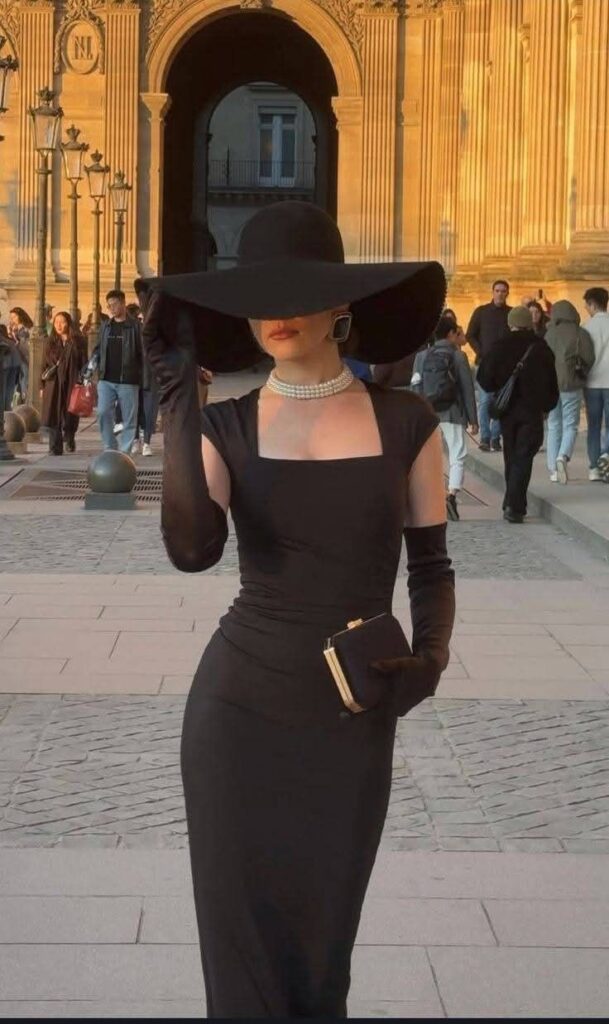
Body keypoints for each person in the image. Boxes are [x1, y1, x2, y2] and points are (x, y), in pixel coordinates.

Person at [137, 200, 455, 1019]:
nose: (276, 314)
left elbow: (429, 565)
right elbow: (191, 549)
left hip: (348, 715)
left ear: (339, 302)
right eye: (258, 298)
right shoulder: (225, 426)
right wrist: (178, 400)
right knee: (239, 953)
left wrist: (429, 659)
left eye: (296, 293)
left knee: (321, 955)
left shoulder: (406, 421)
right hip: (236, 711)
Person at [478, 305, 559, 523]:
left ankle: (512, 502)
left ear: (510, 323)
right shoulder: (541, 348)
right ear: (529, 323)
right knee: (524, 456)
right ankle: (515, 505)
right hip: (532, 410)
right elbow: (551, 382)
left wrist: (498, 388)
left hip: (507, 411)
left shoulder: (499, 347)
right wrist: (547, 405)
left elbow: (484, 378)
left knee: (511, 455)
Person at [411, 315, 479, 521]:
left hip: (428, 413)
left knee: (430, 456)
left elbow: (416, 385)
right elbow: (467, 389)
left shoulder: (421, 356)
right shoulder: (458, 356)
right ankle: (452, 494)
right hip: (452, 412)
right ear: (450, 334)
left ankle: (429, 496)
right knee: (457, 454)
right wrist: (473, 419)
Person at [544, 301, 595, 484]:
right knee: (571, 424)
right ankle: (563, 456)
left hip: (551, 386)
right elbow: (589, 358)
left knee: (553, 424)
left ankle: (553, 470)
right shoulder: (581, 333)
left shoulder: (549, 334)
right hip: (572, 384)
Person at [87, 289, 143, 453]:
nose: (111, 308)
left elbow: (143, 353)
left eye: (115, 304)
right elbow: (99, 350)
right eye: (109, 305)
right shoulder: (106, 326)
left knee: (129, 419)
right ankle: (110, 447)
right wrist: (90, 368)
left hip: (128, 380)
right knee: (103, 412)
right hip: (106, 379)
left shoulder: (136, 327)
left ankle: (124, 453)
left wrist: (142, 375)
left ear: (123, 303)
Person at [466, 280, 512, 452]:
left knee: (500, 401)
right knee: (485, 401)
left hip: (504, 366)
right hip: (484, 364)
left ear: (507, 293)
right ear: (492, 292)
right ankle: (485, 437)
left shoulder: (511, 313)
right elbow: (470, 335)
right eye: (497, 290)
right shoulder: (481, 312)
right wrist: (481, 351)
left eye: (503, 291)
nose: (500, 294)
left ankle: (495, 437)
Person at [40, 311, 88, 455]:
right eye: (56, 322)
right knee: (53, 413)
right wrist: (41, 386)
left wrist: (84, 381)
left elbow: (84, 363)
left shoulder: (78, 341)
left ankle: (69, 436)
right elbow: (43, 365)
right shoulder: (50, 342)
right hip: (53, 383)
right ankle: (54, 447)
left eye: (62, 322)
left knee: (70, 412)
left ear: (68, 323)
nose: (59, 325)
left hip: (72, 382)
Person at [581, 287, 609, 482]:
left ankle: (593, 467)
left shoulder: (586, 328)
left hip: (592, 382)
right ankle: (606, 455)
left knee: (593, 426)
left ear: (592, 304)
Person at [8, 306, 32, 405]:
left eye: (14, 317)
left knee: (24, 379)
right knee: (20, 380)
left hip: (25, 357)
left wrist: (13, 335)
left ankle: (25, 400)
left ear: (20, 316)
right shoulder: (16, 329)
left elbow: (22, 342)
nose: (12, 319)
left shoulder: (25, 329)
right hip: (19, 357)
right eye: (11, 317)